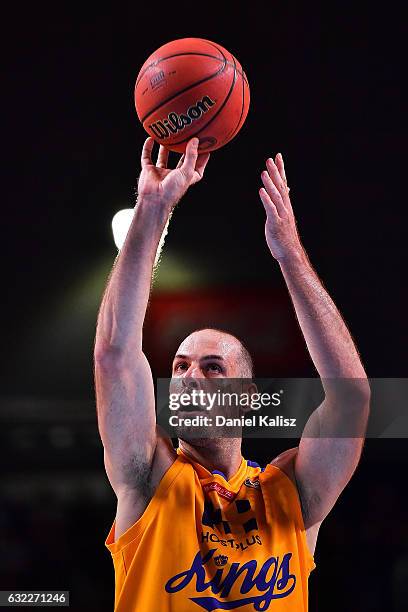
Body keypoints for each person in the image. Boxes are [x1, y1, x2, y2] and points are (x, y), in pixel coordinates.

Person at [94, 137, 370, 611]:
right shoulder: (147, 476)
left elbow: (352, 400)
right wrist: (153, 206)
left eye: (212, 367)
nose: (189, 377)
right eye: (179, 367)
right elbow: (115, 355)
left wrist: (291, 256)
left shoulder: (290, 494)